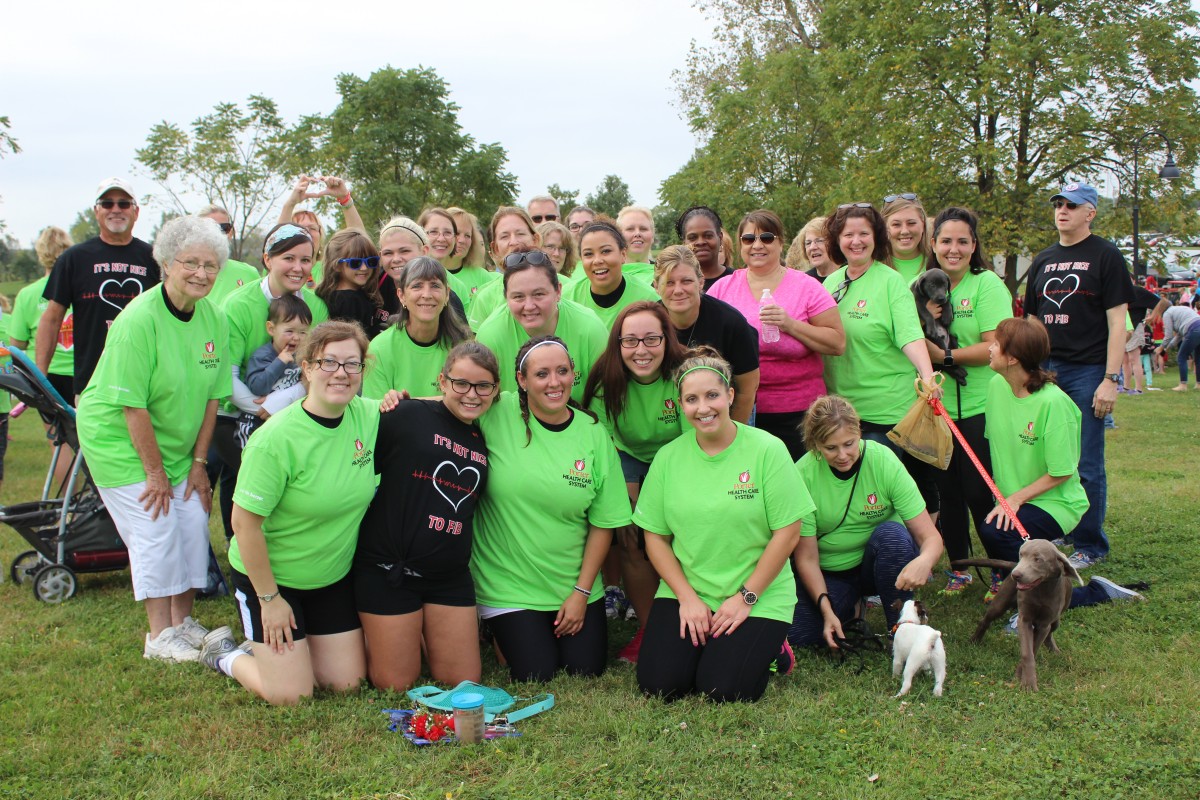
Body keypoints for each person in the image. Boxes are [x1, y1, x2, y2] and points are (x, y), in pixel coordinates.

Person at [75, 215, 231, 663]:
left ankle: (182, 624)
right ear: (166, 263)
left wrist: (199, 464)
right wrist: (154, 472)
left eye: (210, 265)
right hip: (119, 439)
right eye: (190, 263)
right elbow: (132, 406)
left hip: (177, 445)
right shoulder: (138, 320)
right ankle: (159, 638)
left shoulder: (214, 320)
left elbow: (212, 398)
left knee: (191, 522)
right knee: (156, 525)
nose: (201, 273)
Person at [202, 322, 383, 705]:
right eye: (329, 362)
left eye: (352, 364)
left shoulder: (368, 416)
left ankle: (286, 652)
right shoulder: (275, 439)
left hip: (329, 578)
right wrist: (269, 600)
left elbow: (426, 406)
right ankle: (226, 655)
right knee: (293, 696)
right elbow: (243, 525)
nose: (341, 373)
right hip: (271, 579)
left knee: (346, 683)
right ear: (307, 368)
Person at [634, 349, 807, 702]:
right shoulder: (668, 458)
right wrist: (686, 597)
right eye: (692, 399)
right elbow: (654, 537)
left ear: (730, 395)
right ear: (680, 405)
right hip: (691, 589)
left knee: (723, 689)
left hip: (758, 592)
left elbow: (788, 532)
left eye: (712, 395)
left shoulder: (767, 450)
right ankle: (714, 646)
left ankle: (774, 650)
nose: (703, 407)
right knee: (659, 685)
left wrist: (746, 597)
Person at [472, 335, 629, 682]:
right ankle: (495, 627)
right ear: (521, 380)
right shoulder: (495, 412)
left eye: (562, 371)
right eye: (541, 374)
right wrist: (397, 400)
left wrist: (581, 592)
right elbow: (448, 402)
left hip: (573, 582)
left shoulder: (593, 433)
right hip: (508, 582)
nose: (554, 382)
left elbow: (603, 524)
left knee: (585, 669)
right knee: (535, 672)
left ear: (574, 374)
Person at [355, 342, 498, 691]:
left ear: (495, 390)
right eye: (460, 383)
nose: (471, 394)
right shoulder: (406, 415)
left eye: (483, 387)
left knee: (463, 681)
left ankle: (416, 631)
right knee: (396, 683)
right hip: (390, 569)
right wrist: (387, 401)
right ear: (442, 381)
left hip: (448, 575)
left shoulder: (486, 433)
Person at [977, 317, 1144, 608]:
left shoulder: (1054, 404)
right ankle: (1022, 596)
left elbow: (1062, 472)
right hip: (1016, 498)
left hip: (1056, 502)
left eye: (995, 344)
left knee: (996, 531)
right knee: (994, 531)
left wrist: (1015, 499)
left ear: (1013, 357)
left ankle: (1087, 593)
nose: (989, 349)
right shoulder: (995, 386)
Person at [1023, 182, 1132, 569]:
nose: (1062, 211)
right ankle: (1056, 530)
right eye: (1058, 204)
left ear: (1091, 212)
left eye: (1072, 205)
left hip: (1087, 371)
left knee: (1086, 462)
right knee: (1045, 458)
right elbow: (1032, 320)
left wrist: (1110, 378)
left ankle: (1089, 544)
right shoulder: (1043, 259)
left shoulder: (1106, 255)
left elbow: (1118, 321)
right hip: (1045, 371)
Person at [788, 395, 943, 650]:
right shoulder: (802, 475)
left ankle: (901, 630)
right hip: (832, 571)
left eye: (849, 443)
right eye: (830, 448)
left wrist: (924, 561)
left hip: (880, 560)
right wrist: (826, 611)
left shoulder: (884, 461)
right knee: (800, 633)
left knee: (893, 536)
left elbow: (931, 538)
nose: (842, 455)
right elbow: (806, 559)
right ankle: (849, 606)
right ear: (815, 444)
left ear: (860, 430)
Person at [582, 301, 689, 663]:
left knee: (679, 528)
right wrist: (628, 491)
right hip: (624, 457)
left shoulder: (685, 372)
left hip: (679, 455)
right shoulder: (604, 378)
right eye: (630, 341)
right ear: (618, 344)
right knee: (630, 533)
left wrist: (659, 494)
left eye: (651, 339)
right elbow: (603, 444)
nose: (641, 350)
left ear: (667, 339)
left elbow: (696, 441)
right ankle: (650, 629)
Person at [821, 203, 939, 516]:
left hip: (886, 410)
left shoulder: (890, 282)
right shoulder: (830, 284)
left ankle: (904, 555)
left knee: (880, 494)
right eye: (848, 235)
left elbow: (910, 336)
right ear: (837, 239)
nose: (856, 241)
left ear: (877, 239)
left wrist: (928, 377)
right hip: (843, 409)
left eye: (864, 234)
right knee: (856, 496)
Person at [920, 208, 1012, 595]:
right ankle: (958, 566)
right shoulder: (919, 285)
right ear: (934, 245)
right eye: (945, 241)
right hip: (937, 408)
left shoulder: (987, 283)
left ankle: (1000, 569)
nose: (953, 249)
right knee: (948, 492)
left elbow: (996, 344)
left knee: (978, 489)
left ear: (974, 246)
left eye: (962, 241)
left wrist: (946, 358)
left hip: (980, 405)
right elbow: (909, 337)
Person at [216, 223, 330, 524]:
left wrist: (280, 402)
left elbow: (321, 369)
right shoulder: (238, 304)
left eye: (306, 260)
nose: (298, 268)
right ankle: (239, 540)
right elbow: (225, 377)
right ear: (267, 259)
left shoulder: (316, 307)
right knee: (255, 479)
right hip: (236, 412)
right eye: (288, 258)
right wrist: (261, 407)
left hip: (294, 407)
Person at [709, 210, 845, 459]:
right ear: (740, 245)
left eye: (767, 238)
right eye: (749, 239)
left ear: (781, 242)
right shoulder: (722, 288)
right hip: (739, 409)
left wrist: (791, 325)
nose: (757, 245)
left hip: (799, 413)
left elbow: (837, 343)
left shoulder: (806, 286)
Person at [37, 178, 161, 398]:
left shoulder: (154, 259)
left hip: (146, 382)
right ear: (96, 211)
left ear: (136, 211)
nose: (115, 209)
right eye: (107, 203)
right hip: (91, 385)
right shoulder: (73, 259)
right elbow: (52, 318)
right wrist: (40, 376)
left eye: (123, 203)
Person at [475, 249, 607, 402]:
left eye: (539, 294)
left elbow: (603, 399)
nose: (529, 306)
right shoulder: (490, 336)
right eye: (518, 297)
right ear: (506, 297)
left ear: (558, 291)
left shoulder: (589, 327)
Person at [653, 245, 759, 424]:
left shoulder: (730, 322)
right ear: (656, 286)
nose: (678, 290)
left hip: (727, 413)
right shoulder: (650, 323)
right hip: (670, 416)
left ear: (701, 282)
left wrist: (731, 437)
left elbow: (747, 389)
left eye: (686, 281)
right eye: (669, 283)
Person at [364, 257, 472, 398]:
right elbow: (375, 412)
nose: (426, 295)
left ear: (447, 294)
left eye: (435, 286)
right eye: (417, 286)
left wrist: (407, 405)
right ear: (401, 295)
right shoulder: (379, 349)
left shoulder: (463, 346)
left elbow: (469, 403)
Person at [236, 295, 311, 448]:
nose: (296, 338)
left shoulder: (302, 356)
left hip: (287, 419)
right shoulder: (263, 356)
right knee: (251, 451)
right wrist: (279, 362)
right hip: (256, 421)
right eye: (289, 331)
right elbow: (257, 387)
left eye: (303, 332)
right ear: (271, 329)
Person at [566, 220, 661, 329]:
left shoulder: (649, 299)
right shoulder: (566, 297)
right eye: (588, 254)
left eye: (606, 251)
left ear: (623, 254)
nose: (597, 260)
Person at [275, 174, 365, 286]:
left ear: (320, 234)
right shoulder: (279, 268)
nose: (307, 233)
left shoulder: (331, 268)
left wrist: (345, 199)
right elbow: (278, 245)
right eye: (300, 228)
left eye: (312, 228)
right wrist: (290, 204)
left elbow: (359, 243)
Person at [466, 207, 544, 328]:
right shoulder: (484, 298)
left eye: (520, 234)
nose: (513, 242)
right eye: (504, 236)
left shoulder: (563, 286)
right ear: (495, 247)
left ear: (535, 239)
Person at [315, 229, 390, 339]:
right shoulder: (348, 301)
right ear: (337, 265)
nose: (364, 268)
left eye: (371, 261)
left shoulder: (331, 294)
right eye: (355, 263)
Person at [426, 207, 499, 316]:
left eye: (467, 236)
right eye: (457, 233)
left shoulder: (483, 277)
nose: (462, 240)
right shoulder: (424, 273)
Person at [197, 205, 260, 306]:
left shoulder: (249, 273)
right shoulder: (188, 274)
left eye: (224, 228)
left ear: (230, 233)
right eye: (211, 228)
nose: (217, 234)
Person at [676, 206, 732, 291]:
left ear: (720, 238)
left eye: (708, 236)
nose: (700, 242)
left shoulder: (737, 280)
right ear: (684, 243)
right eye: (692, 237)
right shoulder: (674, 283)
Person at [882, 193, 929, 283]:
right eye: (896, 224)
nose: (904, 231)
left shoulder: (938, 264)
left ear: (923, 225)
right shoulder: (872, 267)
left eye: (911, 223)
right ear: (885, 228)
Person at [1155, 297, 1200, 390]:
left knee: (1181, 356)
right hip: (1197, 327)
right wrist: (1165, 350)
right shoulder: (1180, 309)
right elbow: (1178, 336)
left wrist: (1161, 347)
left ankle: (1183, 385)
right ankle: (1199, 384)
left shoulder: (1167, 314)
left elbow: (1168, 335)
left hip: (1193, 330)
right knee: (1198, 358)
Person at [617, 205, 657, 284]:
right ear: (618, 236)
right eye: (630, 229)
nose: (637, 233)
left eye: (643, 229)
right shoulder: (607, 276)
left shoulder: (666, 274)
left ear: (652, 236)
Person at [536, 220, 580, 285]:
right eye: (550, 246)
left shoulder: (571, 287)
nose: (556, 254)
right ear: (535, 248)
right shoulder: (520, 282)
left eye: (562, 248)